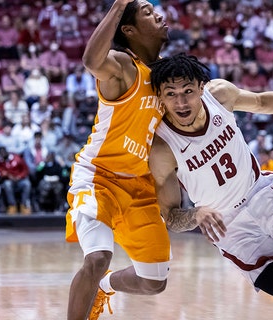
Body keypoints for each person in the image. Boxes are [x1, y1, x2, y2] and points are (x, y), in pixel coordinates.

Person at [148, 54, 273, 318]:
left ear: (201, 87)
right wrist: (196, 215)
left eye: (188, 91)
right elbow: (171, 218)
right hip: (228, 227)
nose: (181, 102)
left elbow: (261, 101)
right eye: (171, 94)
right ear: (160, 97)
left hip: (261, 194)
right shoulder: (162, 148)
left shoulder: (219, 94)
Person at [64, 1, 170, 319]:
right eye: (148, 13)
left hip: (140, 185)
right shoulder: (123, 66)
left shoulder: (169, 75)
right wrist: (120, 4)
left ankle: (105, 287)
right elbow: (91, 60)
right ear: (129, 30)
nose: (159, 15)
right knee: (97, 258)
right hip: (99, 175)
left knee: (154, 282)